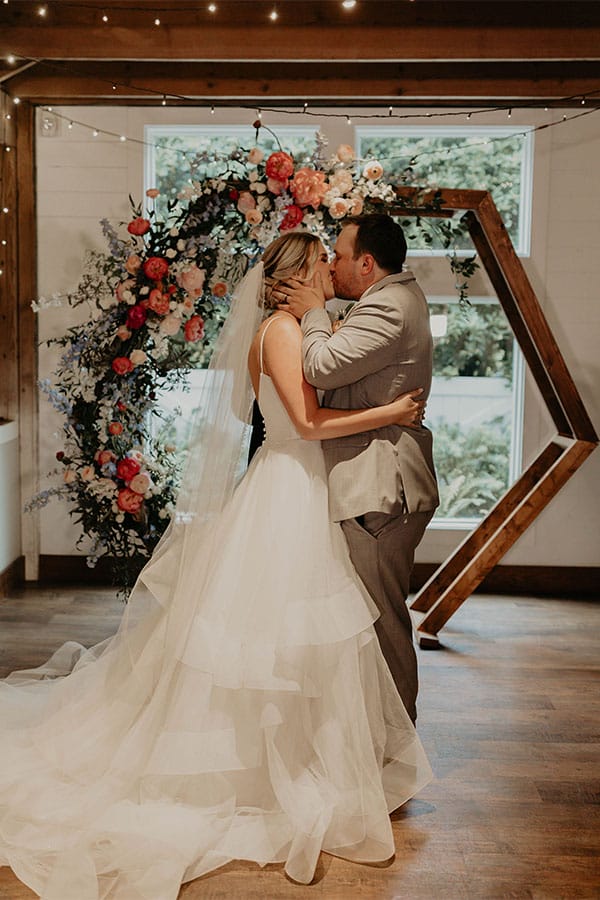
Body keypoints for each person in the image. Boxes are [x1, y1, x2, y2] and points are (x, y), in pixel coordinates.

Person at [0, 231, 432, 899]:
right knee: (280, 636)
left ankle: (297, 756)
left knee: (288, 639)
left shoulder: (281, 328)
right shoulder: (285, 333)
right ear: (296, 275)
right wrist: (393, 411)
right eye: (322, 263)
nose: (329, 272)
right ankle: (264, 769)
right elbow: (310, 425)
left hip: (290, 484)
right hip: (289, 486)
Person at [274, 215, 439, 724]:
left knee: (381, 622)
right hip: (371, 482)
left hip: (379, 485)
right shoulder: (385, 300)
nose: (333, 264)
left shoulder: (389, 306)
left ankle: (396, 752)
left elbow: (321, 366)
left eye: (340, 256)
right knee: (369, 619)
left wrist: (314, 313)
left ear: (367, 263)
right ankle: (374, 744)